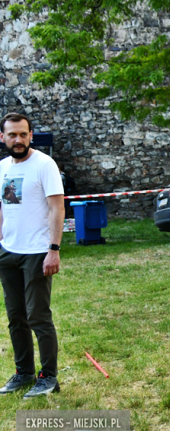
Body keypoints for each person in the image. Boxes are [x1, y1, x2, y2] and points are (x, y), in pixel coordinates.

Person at [0, 112, 65, 398]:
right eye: (12, 134)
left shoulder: (44, 164)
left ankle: (48, 377)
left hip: (38, 253)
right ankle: (24, 373)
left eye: (23, 134)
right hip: (8, 252)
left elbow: (57, 209)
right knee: (15, 317)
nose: (18, 140)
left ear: (30, 136)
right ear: (2, 137)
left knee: (38, 316)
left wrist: (54, 249)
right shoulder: (2, 167)